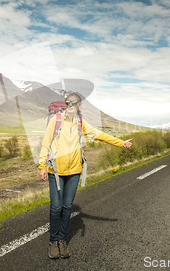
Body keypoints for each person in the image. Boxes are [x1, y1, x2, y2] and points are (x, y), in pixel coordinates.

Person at [38, 92, 132, 259]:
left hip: (74, 172)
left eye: (75, 103)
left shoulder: (81, 123)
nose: (71, 105)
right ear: (65, 104)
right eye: (68, 102)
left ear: (79, 106)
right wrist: (42, 166)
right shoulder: (56, 120)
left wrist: (121, 143)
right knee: (55, 207)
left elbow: (100, 135)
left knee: (67, 207)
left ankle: (62, 240)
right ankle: (53, 242)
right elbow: (46, 143)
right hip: (56, 172)